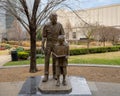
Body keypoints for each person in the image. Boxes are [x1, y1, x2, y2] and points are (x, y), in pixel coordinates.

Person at [41, 13, 65, 82]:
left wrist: (62, 43)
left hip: (56, 45)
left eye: (56, 18)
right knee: (47, 60)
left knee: (55, 60)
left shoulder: (60, 25)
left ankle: (55, 74)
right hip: (48, 44)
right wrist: (42, 45)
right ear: (50, 18)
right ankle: (46, 75)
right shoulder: (46, 25)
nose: (55, 19)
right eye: (53, 18)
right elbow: (44, 37)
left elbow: (62, 35)